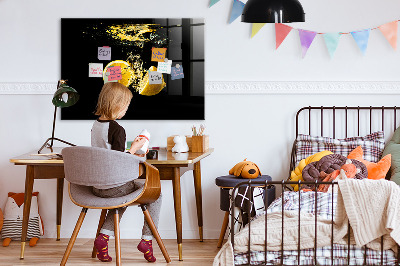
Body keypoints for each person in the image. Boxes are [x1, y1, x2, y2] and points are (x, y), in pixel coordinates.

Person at [91, 82, 162, 263]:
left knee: (121, 198)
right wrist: (136, 149)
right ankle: (147, 240)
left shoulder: (96, 125)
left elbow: (108, 154)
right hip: (114, 186)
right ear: (117, 105)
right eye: (126, 106)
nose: (126, 110)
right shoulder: (117, 129)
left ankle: (104, 238)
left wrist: (132, 149)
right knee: (156, 194)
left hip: (97, 186)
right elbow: (119, 161)